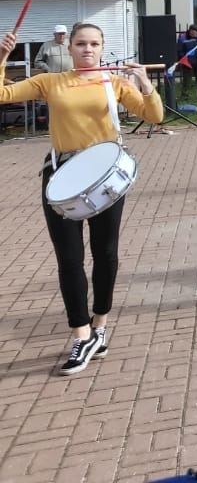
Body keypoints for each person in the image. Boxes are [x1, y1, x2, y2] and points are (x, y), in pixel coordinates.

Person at [0, 23, 163, 375]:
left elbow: (154, 116)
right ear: (69, 47)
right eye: (80, 43)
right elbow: (3, 95)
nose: (87, 49)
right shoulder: (52, 81)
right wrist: (1, 58)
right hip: (61, 174)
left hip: (105, 177)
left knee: (105, 254)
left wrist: (145, 85)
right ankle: (81, 333)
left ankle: (99, 323)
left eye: (93, 44)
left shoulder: (114, 83)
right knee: (69, 260)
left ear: (103, 48)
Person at [177, 24, 197, 100]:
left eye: (196, 32)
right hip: (188, 63)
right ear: (190, 31)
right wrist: (183, 57)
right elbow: (179, 51)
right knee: (187, 81)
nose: (194, 33)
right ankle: (185, 96)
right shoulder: (183, 39)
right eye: (192, 31)